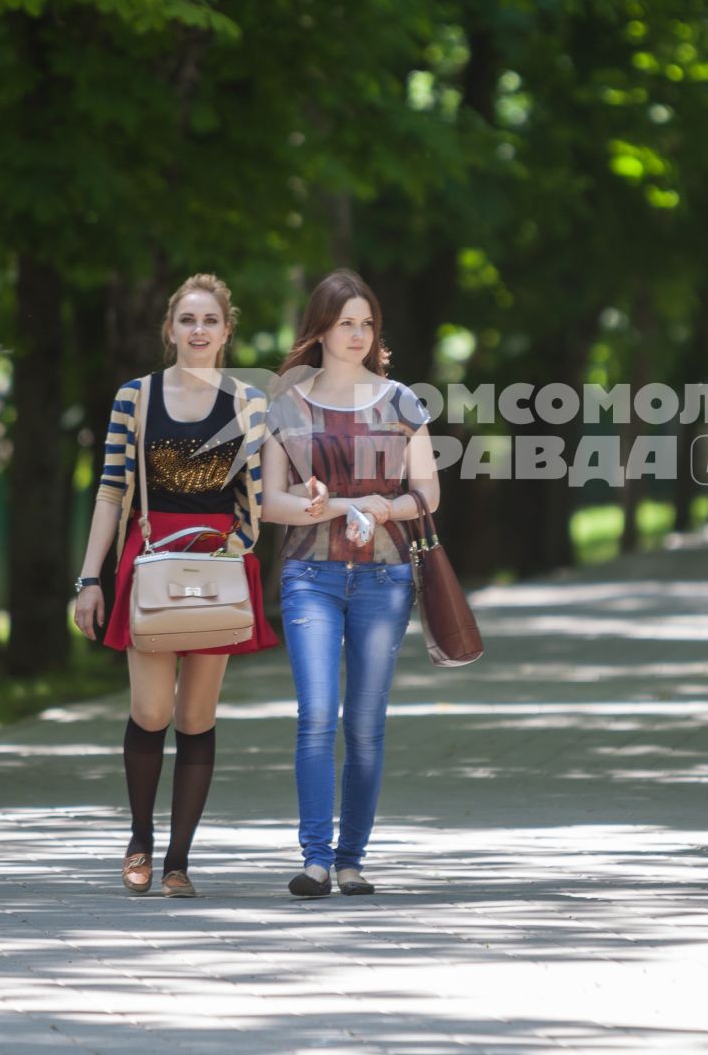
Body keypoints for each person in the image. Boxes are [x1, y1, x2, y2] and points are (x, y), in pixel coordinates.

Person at [72, 273, 280, 899]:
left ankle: (178, 862)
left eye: (209, 321)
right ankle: (140, 837)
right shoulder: (135, 398)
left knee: (196, 715)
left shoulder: (250, 403)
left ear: (226, 331)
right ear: (170, 330)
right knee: (151, 709)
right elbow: (111, 492)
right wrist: (90, 578)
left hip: (219, 560)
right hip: (149, 560)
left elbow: (264, 495)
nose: (198, 330)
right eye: (186, 320)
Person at [261, 269, 439, 899]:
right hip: (309, 576)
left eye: (367, 323)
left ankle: (351, 860)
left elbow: (427, 495)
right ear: (321, 329)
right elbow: (270, 503)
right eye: (346, 323)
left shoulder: (402, 402)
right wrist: (329, 507)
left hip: (384, 578)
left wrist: (382, 506)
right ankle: (314, 859)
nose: (358, 334)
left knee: (365, 721)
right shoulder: (289, 406)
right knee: (317, 715)